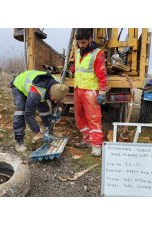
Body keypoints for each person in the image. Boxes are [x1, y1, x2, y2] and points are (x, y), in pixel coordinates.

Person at [10, 70, 69, 152]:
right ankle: (19, 142)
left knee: (45, 111)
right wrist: (37, 132)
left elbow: (56, 101)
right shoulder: (36, 93)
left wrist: (58, 111)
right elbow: (28, 115)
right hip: (19, 84)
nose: (55, 101)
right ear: (50, 93)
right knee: (21, 111)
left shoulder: (58, 85)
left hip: (39, 87)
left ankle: (49, 133)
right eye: (54, 99)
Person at [70, 28, 108, 157]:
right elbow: (76, 67)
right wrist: (72, 70)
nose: (81, 45)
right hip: (78, 89)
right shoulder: (77, 52)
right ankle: (86, 139)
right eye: (79, 42)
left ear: (90, 39)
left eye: (84, 42)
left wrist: (102, 93)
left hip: (90, 91)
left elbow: (102, 74)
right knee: (79, 117)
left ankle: (96, 145)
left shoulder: (98, 53)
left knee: (93, 118)